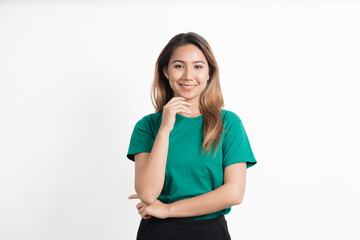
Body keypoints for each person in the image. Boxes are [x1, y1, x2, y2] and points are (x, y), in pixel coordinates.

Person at [126, 32, 257, 240]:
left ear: (209, 73)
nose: (188, 75)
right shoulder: (148, 127)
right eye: (179, 66)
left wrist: (168, 210)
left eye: (198, 66)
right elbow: (148, 194)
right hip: (159, 233)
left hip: (211, 233)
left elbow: (234, 193)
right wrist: (165, 129)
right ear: (166, 71)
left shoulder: (228, 123)